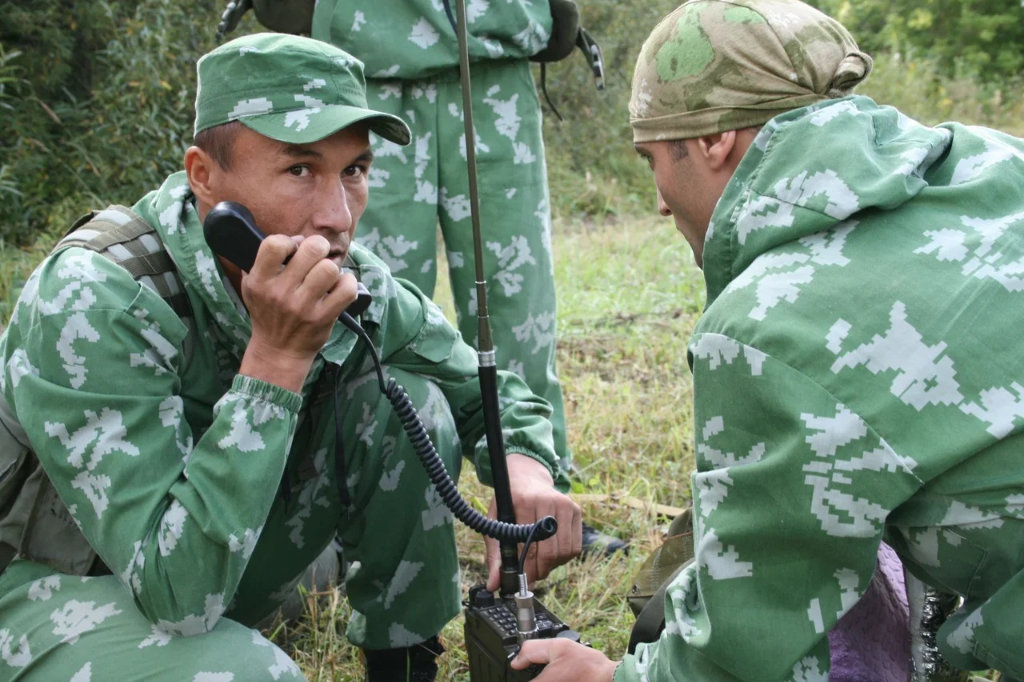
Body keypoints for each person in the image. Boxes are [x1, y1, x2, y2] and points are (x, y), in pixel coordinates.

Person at [0, 32, 582, 681]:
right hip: (48, 588)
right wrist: (276, 357)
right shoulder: (95, 301)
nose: (337, 216)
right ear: (204, 176)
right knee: (248, 675)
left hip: (210, 563)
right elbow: (177, 595)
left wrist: (526, 470)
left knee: (409, 403)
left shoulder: (348, 285)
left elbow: (482, 388)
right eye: (300, 169)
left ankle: (403, 666)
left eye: (354, 171)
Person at [511, 0, 1024, 679]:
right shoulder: (995, 160)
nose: (661, 201)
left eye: (651, 157)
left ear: (714, 141)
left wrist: (612, 677)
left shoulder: (765, 330)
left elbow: (745, 642)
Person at [308, 0, 626, 555]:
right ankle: (350, 514)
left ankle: (540, 501)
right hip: (370, 61)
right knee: (362, 306)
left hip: (494, 59)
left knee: (519, 306)